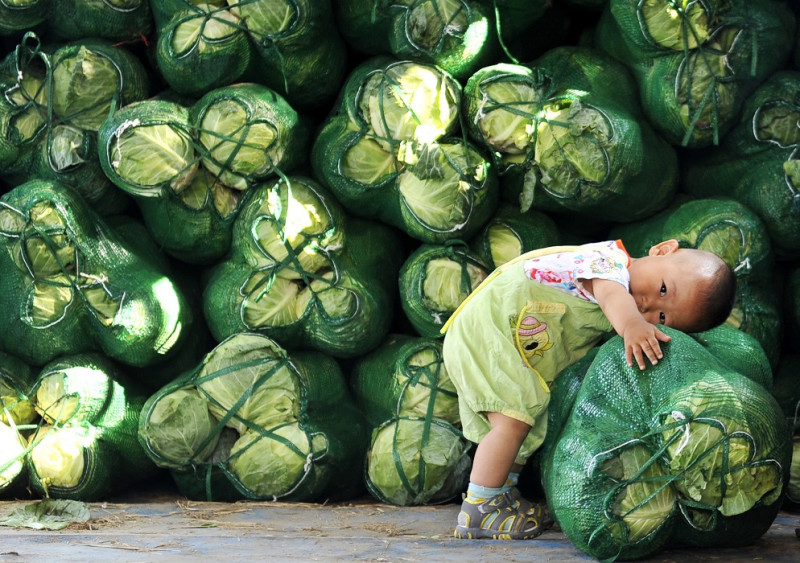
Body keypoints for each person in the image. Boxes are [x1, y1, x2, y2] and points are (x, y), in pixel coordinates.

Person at [440, 239, 737, 540]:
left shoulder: (624, 293)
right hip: (491, 330)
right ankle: (480, 507)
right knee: (512, 421)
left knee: (530, 422)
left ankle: (501, 491)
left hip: (509, 344)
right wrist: (633, 324)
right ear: (661, 250)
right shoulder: (608, 264)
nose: (649, 305)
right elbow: (611, 295)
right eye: (663, 290)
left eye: (663, 318)